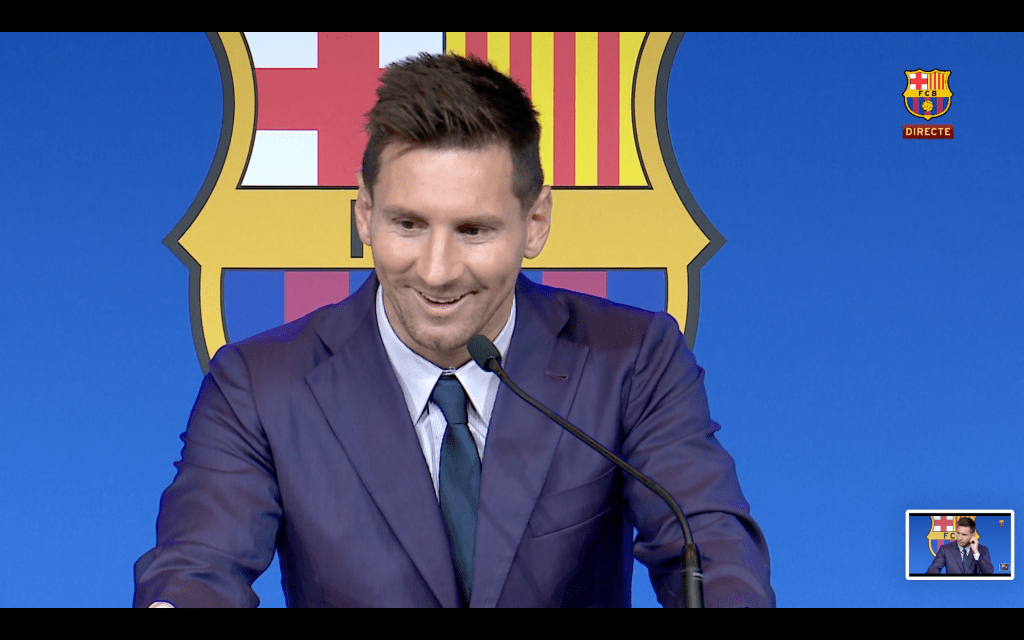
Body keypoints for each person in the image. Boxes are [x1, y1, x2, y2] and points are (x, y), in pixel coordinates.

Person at [133, 52, 774, 607]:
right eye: (408, 225)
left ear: (535, 222)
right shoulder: (258, 385)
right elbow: (198, 568)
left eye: (473, 230)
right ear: (364, 214)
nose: (437, 272)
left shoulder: (631, 360)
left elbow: (708, 544)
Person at [926, 517, 994, 574]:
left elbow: (989, 572)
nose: (959, 538)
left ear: (973, 535)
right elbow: (933, 569)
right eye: (958, 533)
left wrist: (976, 552)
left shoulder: (982, 550)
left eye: (964, 535)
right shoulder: (945, 549)